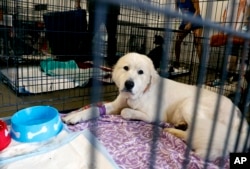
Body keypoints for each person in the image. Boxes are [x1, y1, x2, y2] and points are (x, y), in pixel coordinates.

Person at [75, 0, 120, 65]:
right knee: (111, 35)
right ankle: (111, 60)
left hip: (100, 7)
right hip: (109, 7)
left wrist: (78, 3)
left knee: (91, 33)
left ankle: (81, 57)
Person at [174, 0, 203, 68]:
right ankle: (177, 62)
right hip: (185, 21)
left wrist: (190, 23)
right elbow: (176, 12)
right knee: (177, 41)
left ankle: (202, 65)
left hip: (196, 20)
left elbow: (198, 11)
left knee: (197, 42)